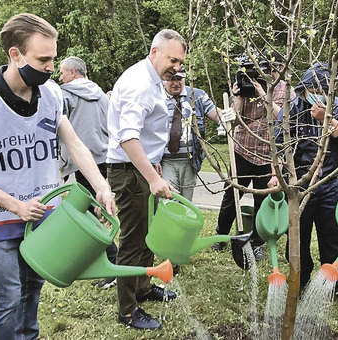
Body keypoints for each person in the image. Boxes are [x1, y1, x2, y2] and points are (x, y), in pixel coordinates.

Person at [0, 13, 115, 339]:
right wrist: (14, 205)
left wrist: (101, 186)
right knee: (8, 298)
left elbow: (74, 144)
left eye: (53, 59)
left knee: (32, 290)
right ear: (15, 55)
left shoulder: (53, 95)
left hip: (44, 218)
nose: (50, 67)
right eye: (43, 59)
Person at [107, 29, 186, 330]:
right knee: (132, 240)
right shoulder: (139, 84)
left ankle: (142, 286)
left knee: (147, 234)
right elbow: (128, 136)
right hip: (129, 173)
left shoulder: (154, 81)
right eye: (172, 59)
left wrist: (153, 167)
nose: (176, 68)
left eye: (179, 62)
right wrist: (151, 177)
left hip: (143, 168)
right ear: (155, 52)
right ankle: (127, 310)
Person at [270, 62, 338, 309]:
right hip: (298, 185)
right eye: (309, 88)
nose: (313, 93)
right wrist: (276, 174)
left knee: (333, 237)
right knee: (296, 239)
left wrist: (328, 121)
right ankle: (299, 280)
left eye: (318, 88)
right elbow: (279, 144)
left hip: (328, 182)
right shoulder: (293, 107)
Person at [212, 51, 287, 261]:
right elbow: (233, 121)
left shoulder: (281, 89)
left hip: (267, 154)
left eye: (269, 69)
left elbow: (280, 117)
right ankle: (221, 235)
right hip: (243, 150)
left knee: (262, 200)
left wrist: (262, 94)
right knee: (231, 195)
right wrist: (238, 97)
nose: (265, 73)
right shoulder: (243, 86)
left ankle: (256, 242)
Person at [58, 56, 118, 289]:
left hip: (84, 162)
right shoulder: (102, 94)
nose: (60, 77)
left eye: (62, 73)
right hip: (105, 158)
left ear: (72, 72)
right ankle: (101, 259)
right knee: (98, 210)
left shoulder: (64, 95)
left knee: (92, 214)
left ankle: (112, 261)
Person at [161, 64, 222, 200]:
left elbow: (218, 117)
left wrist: (233, 109)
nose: (176, 83)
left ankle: (183, 222)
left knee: (186, 204)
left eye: (180, 79)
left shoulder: (197, 96)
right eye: (172, 79)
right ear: (165, 79)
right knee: (168, 201)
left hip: (189, 161)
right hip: (164, 161)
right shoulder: (156, 97)